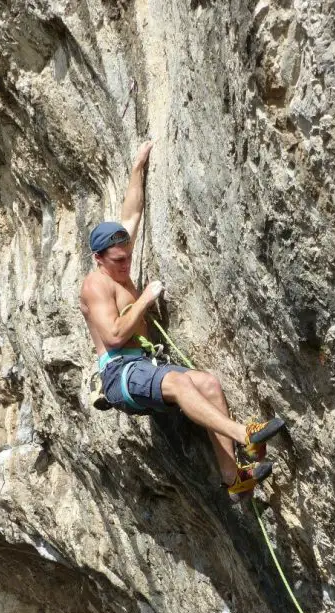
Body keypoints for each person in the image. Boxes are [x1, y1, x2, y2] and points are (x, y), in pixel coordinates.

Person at [79, 141, 285, 499]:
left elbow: (132, 212)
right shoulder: (96, 285)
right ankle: (244, 435)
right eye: (117, 261)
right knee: (178, 382)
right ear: (99, 258)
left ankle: (233, 479)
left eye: (128, 256)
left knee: (207, 384)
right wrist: (145, 298)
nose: (126, 264)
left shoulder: (118, 255)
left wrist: (137, 167)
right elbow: (112, 336)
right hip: (120, 374)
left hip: (142, 365)